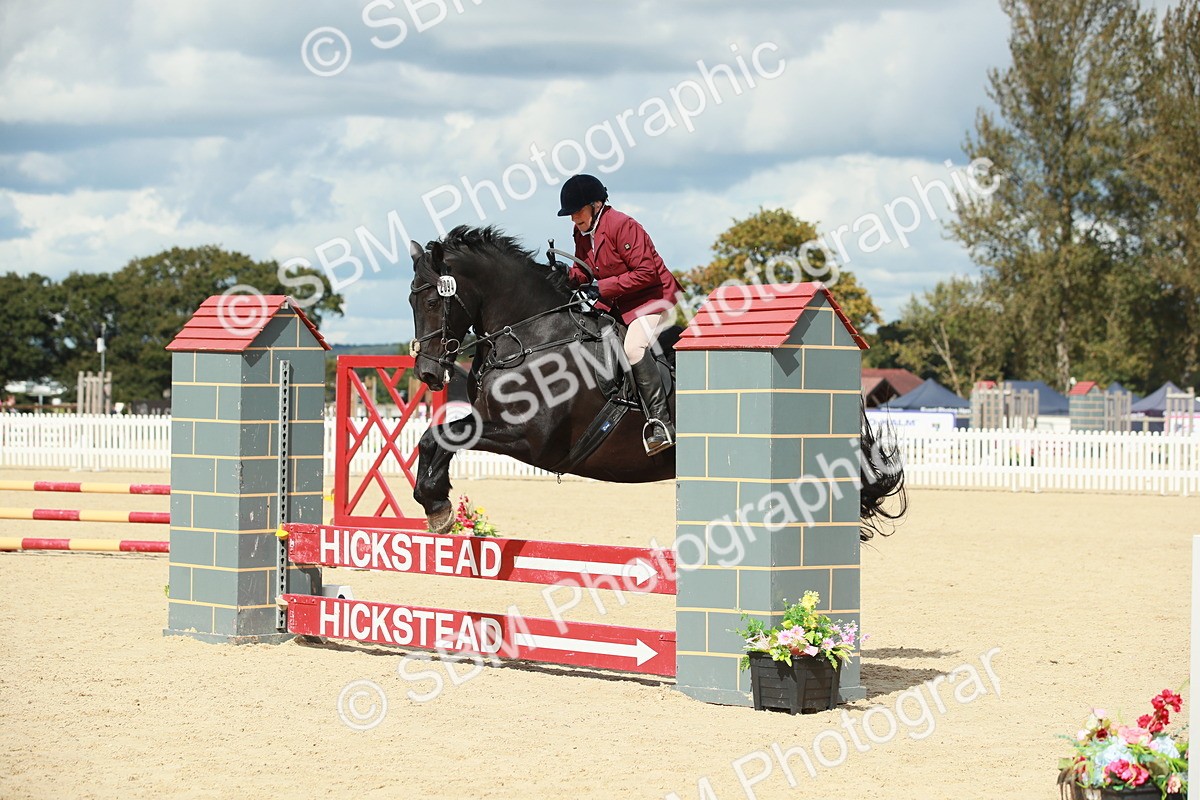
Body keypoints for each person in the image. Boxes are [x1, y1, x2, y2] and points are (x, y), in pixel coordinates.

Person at [557, 173, 683, 456]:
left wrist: (601, 288)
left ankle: (661, 423)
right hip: (617, 303)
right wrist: (564, 277)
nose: (573, 218)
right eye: (571, 214)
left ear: (596, 204)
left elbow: (646, 273)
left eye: (577, 211)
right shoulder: (582, 232)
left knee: (634, 349)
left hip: (652, 299)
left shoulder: (623, 225)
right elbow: (585, 270)